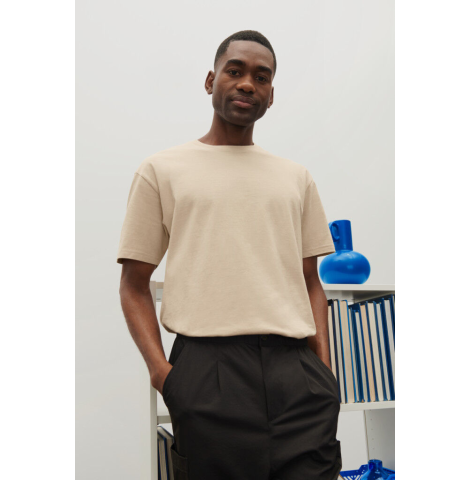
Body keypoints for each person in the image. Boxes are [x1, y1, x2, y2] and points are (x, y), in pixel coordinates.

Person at [117, 29, 342, 480]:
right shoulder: (161, 170)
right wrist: (164, 375)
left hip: (297, 374)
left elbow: (310, 281)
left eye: (261, 77)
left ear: (271, 95)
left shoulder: (296, 178)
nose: (247, 84)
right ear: (210, 80)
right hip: (207, 372)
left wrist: (324, 371)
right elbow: (134, 285)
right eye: (234, 71)